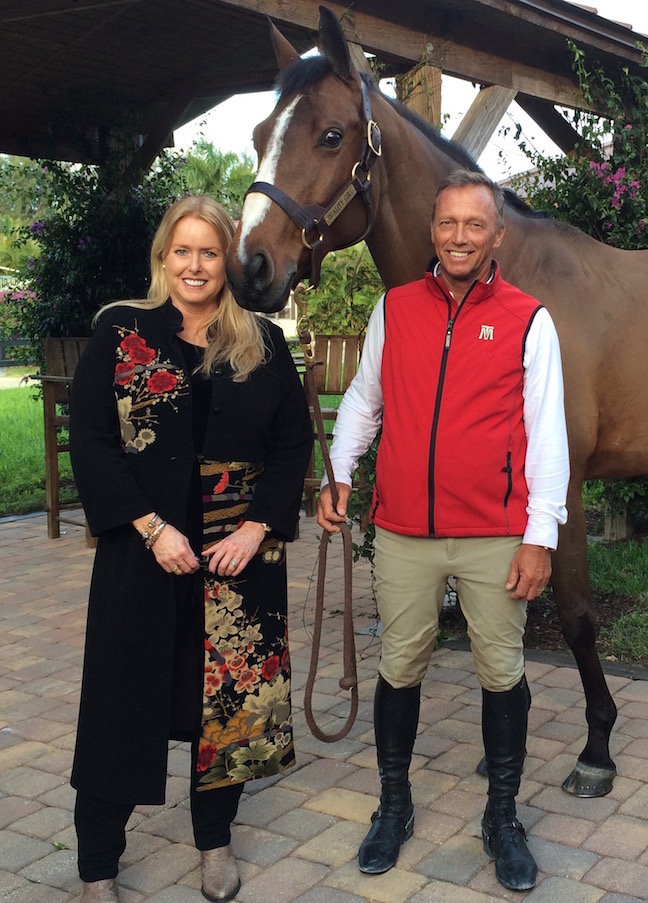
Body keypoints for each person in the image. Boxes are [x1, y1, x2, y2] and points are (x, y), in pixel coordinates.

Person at [317, 170, 569, 892]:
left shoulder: (529, 318)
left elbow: (546, 434)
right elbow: (365, 400)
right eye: (448, 223)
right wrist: (340, 471)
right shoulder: (394, 310)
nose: (460, 236)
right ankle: (393, 805)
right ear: (433, 232)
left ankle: (502, 815)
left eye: (474, 224)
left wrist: (539, 535)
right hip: (402, 529)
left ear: (497, 235)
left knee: (502, 669)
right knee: (400, 665)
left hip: (496, 532)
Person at [69, 194, 313, 903]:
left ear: (226, 261)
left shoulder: (262, 341)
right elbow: (93, 441)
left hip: (237, 562)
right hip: (141, 556)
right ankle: (97, 868)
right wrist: (150, 526)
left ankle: (215, 844)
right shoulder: (122, 332)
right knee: (119, 705)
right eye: (183, 251)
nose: (195, 265)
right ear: (162, 258)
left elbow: (293, 442)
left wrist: (256, 527)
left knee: (227, 708)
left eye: (209, 251)